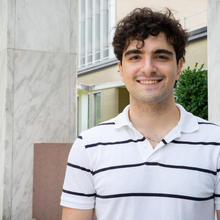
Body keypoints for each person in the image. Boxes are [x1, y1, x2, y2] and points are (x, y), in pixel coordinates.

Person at [60, 7, 220, 220]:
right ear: (121, 67)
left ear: (179, 66)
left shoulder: (216, 143)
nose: (148, 68)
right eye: (135, 57)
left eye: (161, 56)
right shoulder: (88, 146)